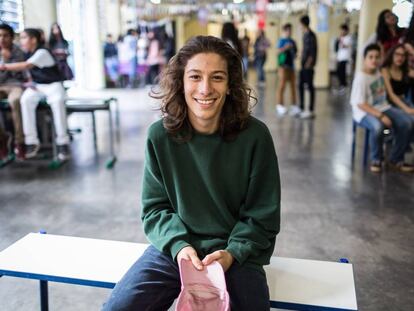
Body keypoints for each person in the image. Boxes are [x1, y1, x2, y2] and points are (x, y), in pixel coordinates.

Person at [102, 35, 281, 311]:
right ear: (181, 82)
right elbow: (154, 209)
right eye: (195, 76)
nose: (205, 88)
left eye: (217, 77)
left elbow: (263, 215)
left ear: (231, 86)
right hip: (177, 248)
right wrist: (179, 247)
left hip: (235, 253)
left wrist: (233, 253)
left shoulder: (255, 137)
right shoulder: (159, 136)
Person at [0, 28, 70, 160]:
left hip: (53, 85)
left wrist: (4, 66)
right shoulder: (27, 52)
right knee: (25, 100)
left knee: (57, 102)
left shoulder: (42, 51)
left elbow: (26, 66)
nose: (21, 41)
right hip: (38, 86)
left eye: (24, 38)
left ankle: (63, 142)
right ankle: (31, 142)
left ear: (33, 40)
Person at [350, 43, 413, 173]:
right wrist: (381, 116)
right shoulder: (361, 78)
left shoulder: (378, 73)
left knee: (407, 122)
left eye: (377, 57)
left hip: (382, 106)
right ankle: (376, 159)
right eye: (370, 57)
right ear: (365, 59)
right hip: (363, 112)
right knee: (378, 127)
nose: (374, 60)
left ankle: (396, 159)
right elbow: (360, 103)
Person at [0, 23, 26, 160]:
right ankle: (2, 138)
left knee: (15, 101)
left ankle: (19, 142)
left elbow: (19, 75)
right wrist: (4, 61)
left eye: (5, 36)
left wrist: (7, 61)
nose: (2, 39)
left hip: (16, 86)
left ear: (11, 37)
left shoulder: (18, 52)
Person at [381, 44, 414, 127]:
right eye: (397, 54)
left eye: (403, 55)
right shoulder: (385, 70)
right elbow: (391, 95)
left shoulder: (405, 70)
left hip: (403, 101)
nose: (400, 58)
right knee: (409, 122)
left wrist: (412, 52)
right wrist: (407, 109)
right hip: (388, 104)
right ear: (391, 55)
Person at [276, 23, 299, 116]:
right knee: (282, 86)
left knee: (293, 86)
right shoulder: (281, 41)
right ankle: (279, 105)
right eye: (287, 30)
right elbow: (277, 52)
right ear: (284, 31)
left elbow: (295, 52)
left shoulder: (293, 41)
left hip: (291, 67)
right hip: (283, 67)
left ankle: (294, 105)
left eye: (290, 30)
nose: (289, 32)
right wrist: (285, 48)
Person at [298, 15, 317, 119]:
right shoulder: (305, 34)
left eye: (300, 23)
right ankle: (301, 107)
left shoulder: (311, 35)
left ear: (303, 23)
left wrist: (308, 63)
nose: (299, 26)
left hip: (308, 66)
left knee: (310, 87)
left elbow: (312, 51)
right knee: (300, 86)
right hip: (303, 65)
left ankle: (310, 110)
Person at [335, 24, 352, 92]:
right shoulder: (341, 38)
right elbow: (338, 48)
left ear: (345, 30)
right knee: (338, 71)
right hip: (340, 57)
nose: (341, 31)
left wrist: (340, 39)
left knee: (342, 72)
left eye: (342, 30)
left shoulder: (349, 38)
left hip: (345, 58)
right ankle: (342, 84)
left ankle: (343, 85)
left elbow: (344, 46)